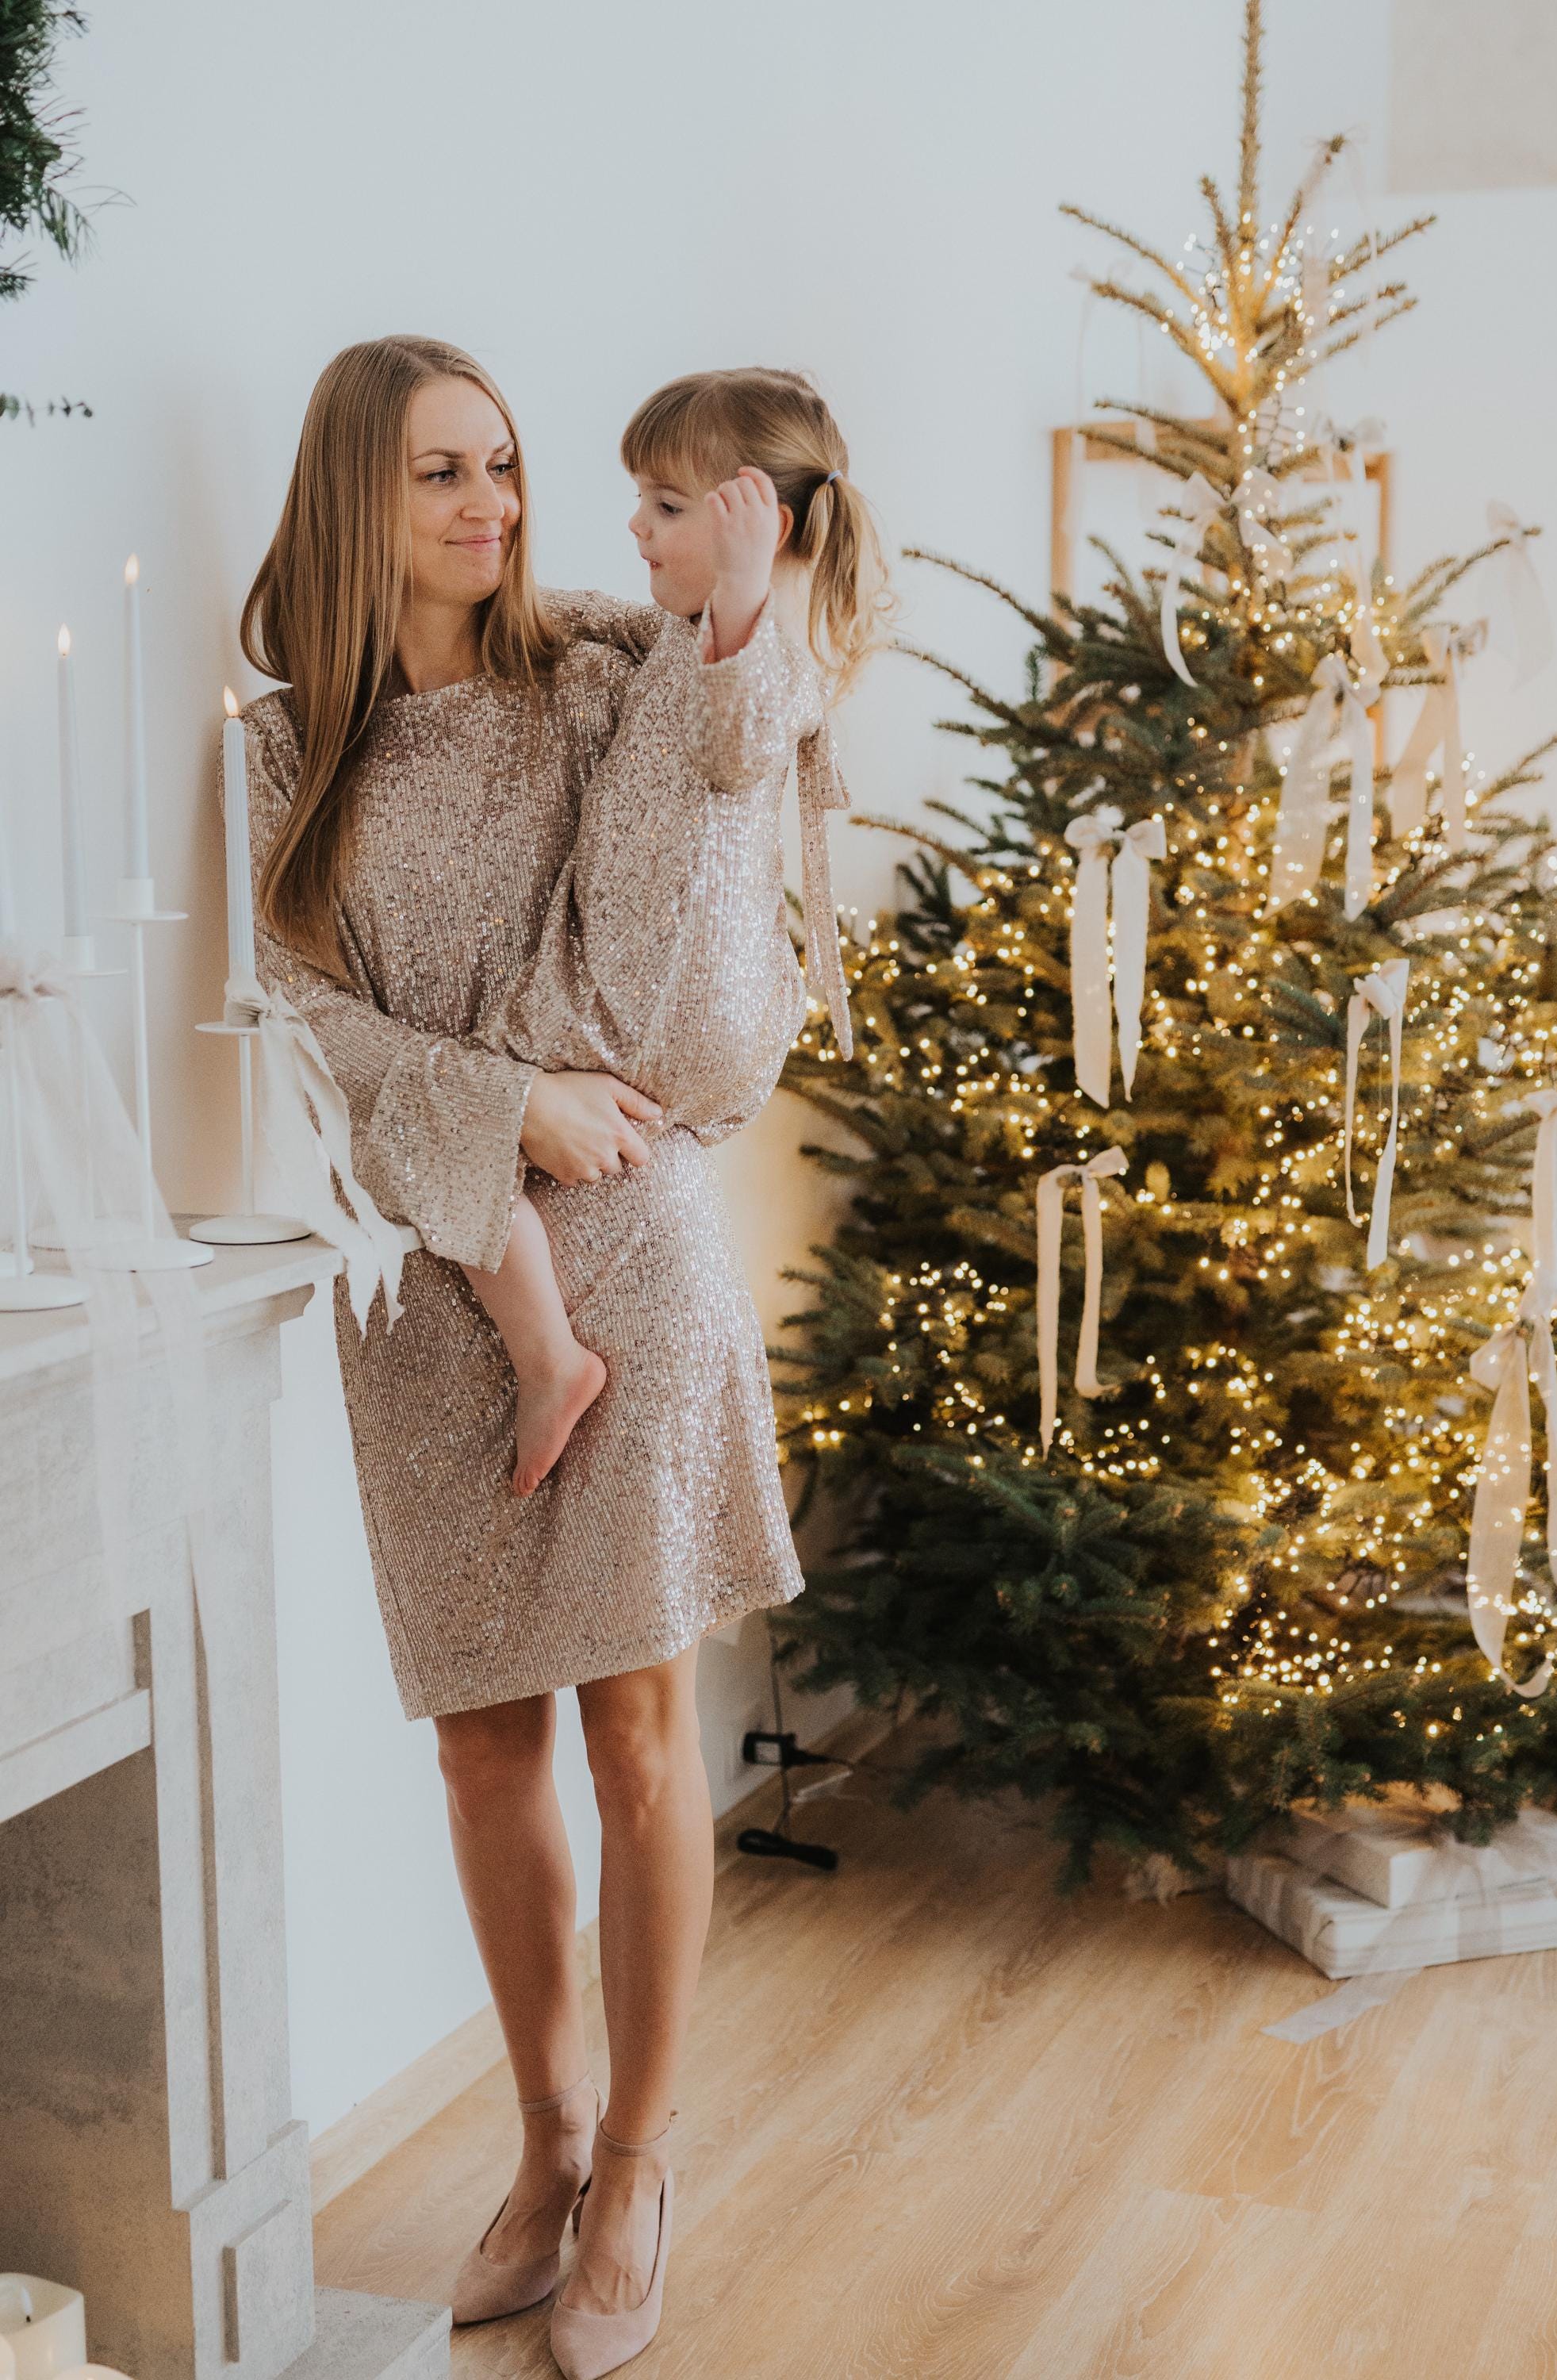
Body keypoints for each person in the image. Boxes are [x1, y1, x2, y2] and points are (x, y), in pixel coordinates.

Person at [234, 339, 881, 2379]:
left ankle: (641, 2171)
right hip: (432, 1262)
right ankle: (545, 2139)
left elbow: (748, 734)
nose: (492, 506)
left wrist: (761, 592)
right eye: (444, 473)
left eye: (503, 466)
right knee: (480, 1744)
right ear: (359, 494)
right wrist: (505, 1106)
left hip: (639, 1243)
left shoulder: (600, 667)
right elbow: (306, 1022)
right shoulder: (284, 752)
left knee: (634, 1733)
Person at [462, 367, 888, 1498]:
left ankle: (549, 1357)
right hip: (673, 994)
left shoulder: (760, 656)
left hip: (650, 1003)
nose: (636, 526)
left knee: (453, 1120)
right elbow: (588, 620)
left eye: (664, 505)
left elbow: (747, 735)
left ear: (756, 519)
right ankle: (548, 1347)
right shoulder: (680, 637)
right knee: (473, 1120)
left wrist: (747, 588)